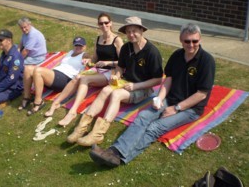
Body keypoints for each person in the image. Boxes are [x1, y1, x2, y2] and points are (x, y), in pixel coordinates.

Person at [89, 23, 216, 167]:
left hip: (190, 108)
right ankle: (114, 151)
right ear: (181, 40)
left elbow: (202, 94)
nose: (191, 45)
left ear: (200, 40)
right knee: (143, 117)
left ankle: (120, 158)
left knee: (155, 128)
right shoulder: (177, 55)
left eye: (195, 41)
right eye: (187, 41)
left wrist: (176, 108)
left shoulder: (207, 61)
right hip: (170, 98)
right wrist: (160, 98)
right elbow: (168, 79)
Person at [67, 16, 163, 147]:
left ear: (141, 30)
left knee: (116, 95)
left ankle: (97, 134)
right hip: (125, 81)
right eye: (128, 32)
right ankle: (80, 128)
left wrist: (136, 85)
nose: (131, 34)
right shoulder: (126, 48)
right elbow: (120, 66)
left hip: (143, 87)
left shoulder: (152, 52)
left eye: (134, 31)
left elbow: (158, 79)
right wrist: (117, 75)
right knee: (105, 90)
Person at [44, 12, 123, 126]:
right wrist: (89, 61)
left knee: (84, 79)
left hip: (110, 72)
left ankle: (72, 111)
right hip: (98, 70)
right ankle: (56, 103)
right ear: (98, 25)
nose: (104, 25)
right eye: (101, 23)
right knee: (77, 77)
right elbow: (95, 59)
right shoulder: (98, 39)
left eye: (106, 22)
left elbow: (123, 62)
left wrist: (108, 62)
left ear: (111, 23)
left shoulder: (117, 40)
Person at [19, 36, 89, 116]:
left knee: (38, 70)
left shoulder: (85, 55)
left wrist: (87, 61)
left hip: (64, 79)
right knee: (28, 69)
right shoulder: (70, 52)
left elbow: (89, 61)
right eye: (76, 45)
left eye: (81, 45)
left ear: (85, 46)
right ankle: (27, 96)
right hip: (54, 76)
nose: (78, 47)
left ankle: (38, 101)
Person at [0, 17, 47, 82]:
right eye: (22, 28)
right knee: (9, 47)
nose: (24, 29)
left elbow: (25, 51)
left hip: (36, 57)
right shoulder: (26, 33)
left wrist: (16, 59)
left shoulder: (33, 35)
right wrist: (16, 51)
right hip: (29, 53)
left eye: (25, 27)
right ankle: (2, 63)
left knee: (14, 64)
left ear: (30, 25)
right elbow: (20, 45)